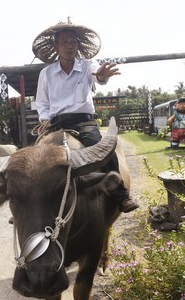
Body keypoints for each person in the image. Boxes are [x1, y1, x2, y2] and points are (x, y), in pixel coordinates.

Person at [32, 21, 139, 213]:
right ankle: (29, 204)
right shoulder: (46, 73)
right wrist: (45, 120)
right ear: (56, 46)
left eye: (73, 42)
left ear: (78, 45)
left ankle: (121, 195)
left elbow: (98, 76)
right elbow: (42, 103)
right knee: (34, 160)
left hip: (83, 121)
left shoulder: (88, 65)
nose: (69, 46)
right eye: (64, 42)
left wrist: (103, 76)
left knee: (101, 149)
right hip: (55, 124)